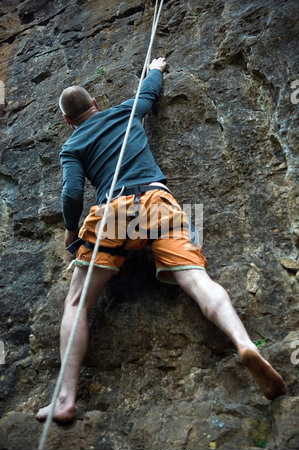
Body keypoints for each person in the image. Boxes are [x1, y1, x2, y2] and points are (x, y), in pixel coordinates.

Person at [36, 58, 286, 423]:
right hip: (158, 201)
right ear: (97, 106)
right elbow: (149, 93)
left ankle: (65, 399)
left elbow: (72, 192)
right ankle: (244, 343)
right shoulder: (125, 111)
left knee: (76, 302)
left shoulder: (72, 145)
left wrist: (72, 229)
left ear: (68, 121)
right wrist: (155, 67)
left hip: (114, 213)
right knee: (199, 281)